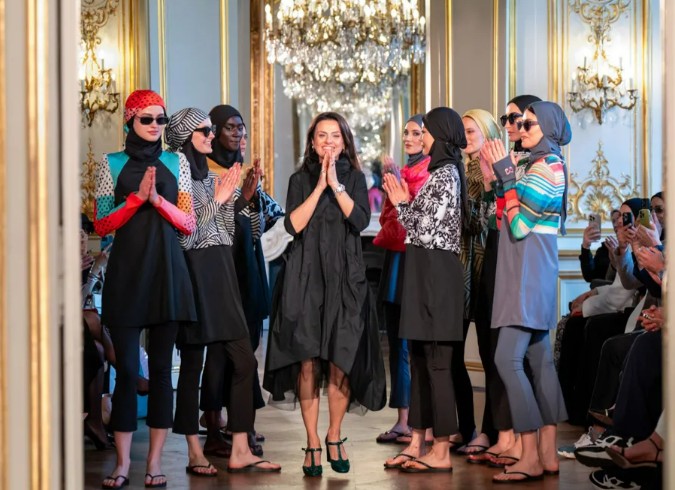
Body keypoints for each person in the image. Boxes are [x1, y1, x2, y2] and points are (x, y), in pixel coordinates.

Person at [264, 112, 386, 477]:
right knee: (307, 361)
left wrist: (336, 185)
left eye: (335, 135)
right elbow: (292, 225)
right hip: (304, 279)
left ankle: (334, 434)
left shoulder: (356, 179)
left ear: (345, 142)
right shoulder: (299, 179)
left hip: (346, 279)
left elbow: (359, 221)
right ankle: (313, 442)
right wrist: (319, 187)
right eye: (322, 135)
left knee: (340, 359)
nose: (328, 141)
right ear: (313, 142)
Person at [165, 108, 281, 475]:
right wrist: (219, 200)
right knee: (193, 366)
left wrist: (238, 198)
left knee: (245, 362)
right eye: (204, 130)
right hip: (196, 278)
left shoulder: (211, 177)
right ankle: (194, 451)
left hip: (224, 275)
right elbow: (187, 235)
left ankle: (240, 448)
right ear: (186, 136)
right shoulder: (176, 175)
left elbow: (226, 232)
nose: (211, 135)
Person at [94, 90, 197, 489]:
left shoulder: (176, 162)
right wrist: (136, 200)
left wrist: (157, 201)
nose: (156, 126)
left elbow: (187, 222)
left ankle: (154, 462)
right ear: (130, 121)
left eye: (161, 119)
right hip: (127, 275)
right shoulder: (111, 164)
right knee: (125, 372)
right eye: (147, 119)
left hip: (168, 274)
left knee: (160, 372)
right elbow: (102, 224)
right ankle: (122, 463)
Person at [485, 100, 570, 483]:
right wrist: (502, 178)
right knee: (539, 361)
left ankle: (531, 454)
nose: (521, 127)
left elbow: (519, 227)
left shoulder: (546, 167)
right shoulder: (539, 164)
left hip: (527, 271)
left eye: (529, 122)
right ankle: (547, 455)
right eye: (521, 121)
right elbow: (504, 216)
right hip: (528, 268)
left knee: (507, 359)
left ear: (547, 128)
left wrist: (505, 175)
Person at [381, 107, 467, 473]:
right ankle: (417, 442)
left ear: (440, 134)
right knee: (418, 359)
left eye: (427, 130)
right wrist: (404, 203)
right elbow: (419, 225)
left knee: (437, 364)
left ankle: (441, 450)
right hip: (422, 272)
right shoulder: (436, 172)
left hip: (437, 277)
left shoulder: (446, 174)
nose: (423, 136)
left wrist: (402, 202)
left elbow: (425, 229)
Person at [200, 104, 283, 456]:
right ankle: (214, 424)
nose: (239, 134)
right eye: (231, 128)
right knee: (220, 353)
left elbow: (268, 219)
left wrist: (256, 197)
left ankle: (242, 423)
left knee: (247, 349)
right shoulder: (204, 172)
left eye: (242, 128)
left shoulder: (243, 172)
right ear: (215, 131)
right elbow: (208, 225)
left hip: (247, 268)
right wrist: (244, 200)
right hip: (221, 269)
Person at [466, 96, 540, 466]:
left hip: (515, 263)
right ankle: (500, 433)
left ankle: (519, 442)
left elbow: (511, 221)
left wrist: (496, 178)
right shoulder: (506, 163)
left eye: (516, 119)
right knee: (493, 351)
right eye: (507, 118)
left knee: (513, 357)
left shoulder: (537, 165)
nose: (511, 125)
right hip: (490, 262)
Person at [372, 114, 431, 444]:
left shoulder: (430, 173)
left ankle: (420, 422)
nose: (408, 138)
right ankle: (403, 420)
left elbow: (416, 224)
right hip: (396, 261)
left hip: (415, 263)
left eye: (415, 133)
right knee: (396, 344)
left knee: (413, 345)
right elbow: (387, 220)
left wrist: (400, 191)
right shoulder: (403, 173)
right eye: (405, 132)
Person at [454, 109, 501, 455]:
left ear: (488, 134)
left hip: (487, 268)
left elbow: (484, 221)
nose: (466, 137)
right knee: (452, 353)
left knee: (490, 355)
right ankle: (465, 427)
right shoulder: (455, 169)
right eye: (463, 131)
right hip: (459, 269)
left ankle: (489, 431)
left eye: (472, 131)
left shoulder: (496, 172)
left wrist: (485, 185)